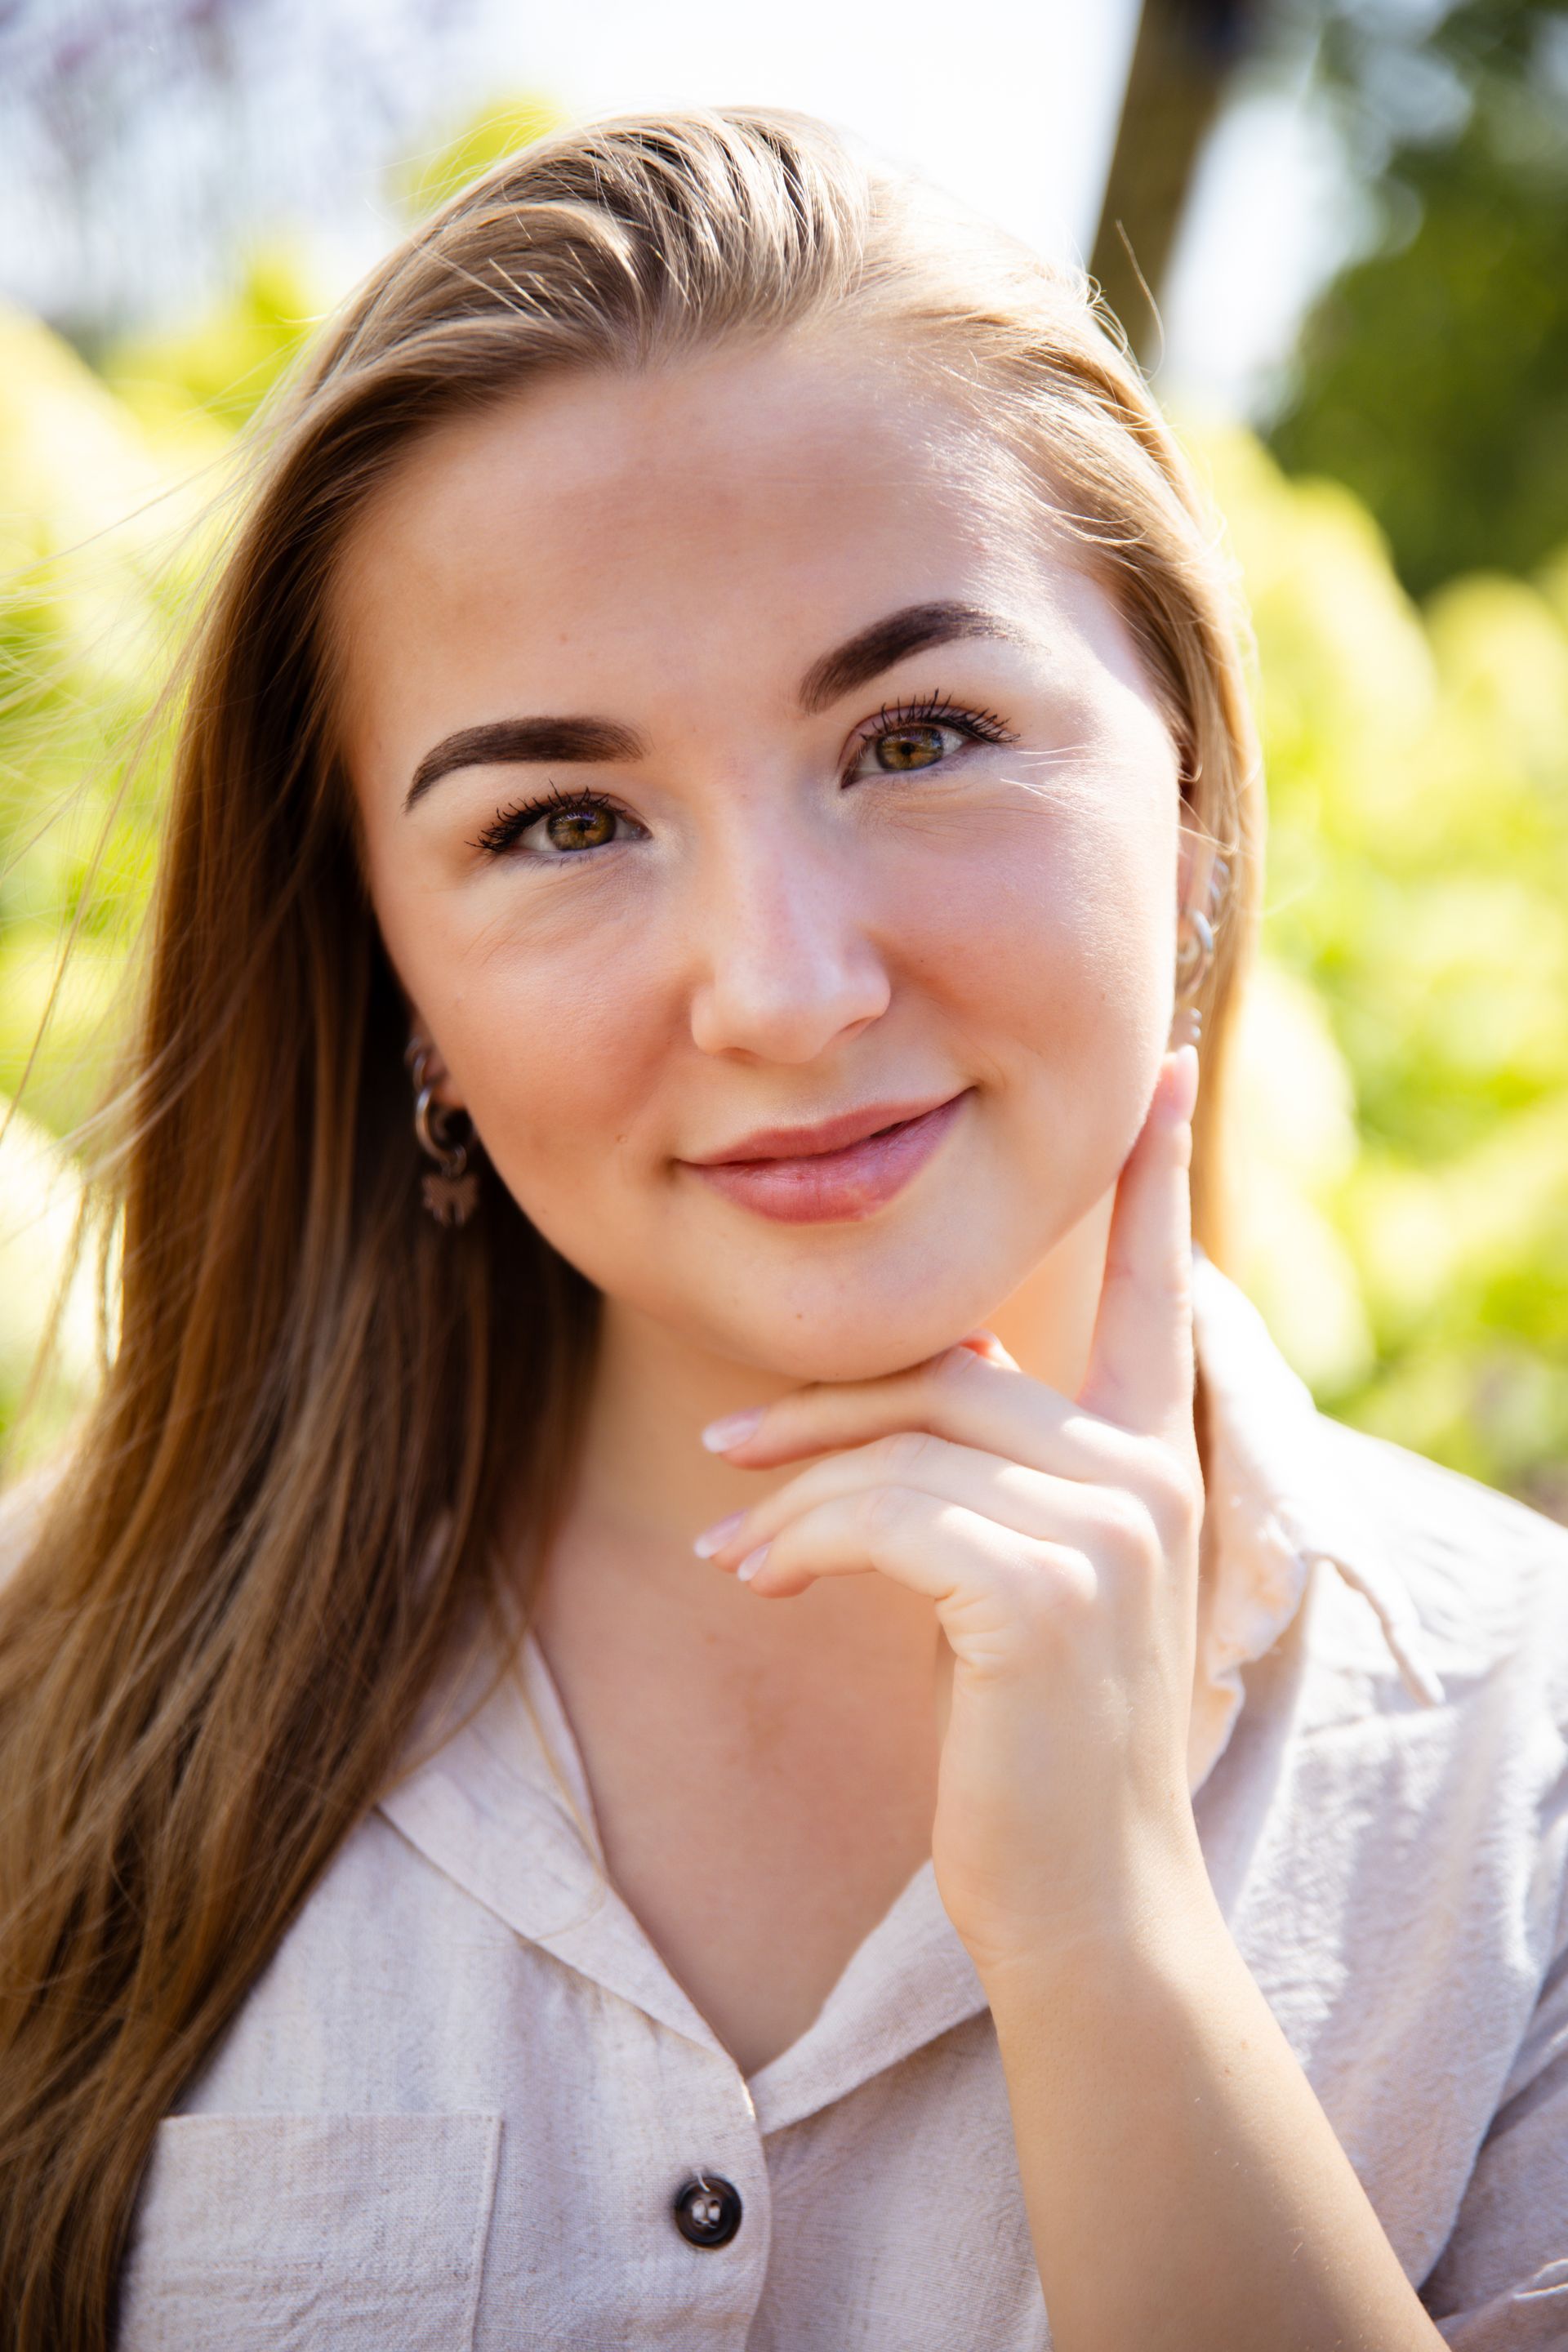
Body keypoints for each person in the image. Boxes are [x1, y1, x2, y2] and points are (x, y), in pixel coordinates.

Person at [0, 107, 1562, 2352]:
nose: (787, 986)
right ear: (392, 976)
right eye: (560, 820)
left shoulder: (1530, 1761)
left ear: (1194, 788)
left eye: (919, 737)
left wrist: (1110, 1939)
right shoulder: (57, 1697)